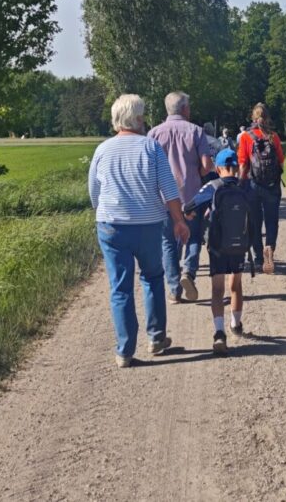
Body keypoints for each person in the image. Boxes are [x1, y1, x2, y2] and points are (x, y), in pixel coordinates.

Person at [89, 94, 190, 368]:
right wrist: (179, 221)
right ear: (137, 119)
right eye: (143, 115)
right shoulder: (151, 147)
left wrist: (105, 212)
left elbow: (94, 193)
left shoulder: (102, 150)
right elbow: (169, 189)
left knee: (120, 288)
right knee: (153, 278)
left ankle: (124, 350)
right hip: (147, 225)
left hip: (111, 226)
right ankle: (156, 338)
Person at [148, 91, 214, 303]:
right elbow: (206, 167)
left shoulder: (153, 134)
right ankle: (189, 272)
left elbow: (149, 170)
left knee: (167, 242)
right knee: (194, 237)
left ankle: (174, 288)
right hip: (192, 197)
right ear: (185, 109)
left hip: (164, 199)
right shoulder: (196, 131)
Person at [183, 148, 251, 355]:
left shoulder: (212, 187)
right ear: (237, 167)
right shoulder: (245, 188)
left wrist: (192, 214)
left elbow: (189, 207)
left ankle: (219, 332)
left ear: (219, 168)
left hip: (217, 245)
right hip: (239, 244)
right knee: (236, 285)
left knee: (217, 289)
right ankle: (235, 324)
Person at [238, 103, 284, 274]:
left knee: (255, 222)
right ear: (267, 117)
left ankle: (258, 257)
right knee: (272, 220)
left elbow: (243, 163)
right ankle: (269, 247)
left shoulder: (245, 137)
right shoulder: (274, 136)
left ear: (253, 117)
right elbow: (280, 161)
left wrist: (240, 184)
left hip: (253, 185)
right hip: (271, 186)